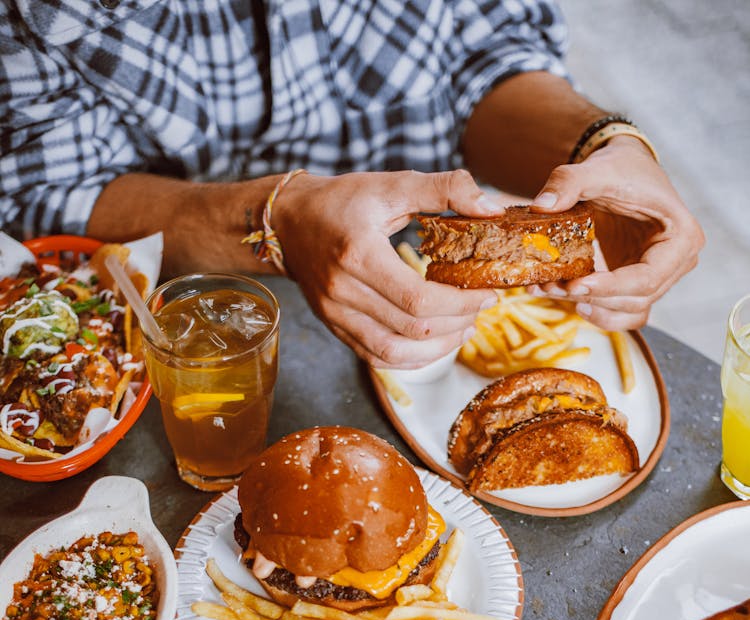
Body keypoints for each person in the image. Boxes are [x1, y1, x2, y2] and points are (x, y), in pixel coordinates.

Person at [0, 0, 703, 370]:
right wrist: (275, 218)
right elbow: (43, 188)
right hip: (177, 325)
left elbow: (486, 52)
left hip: (423, 289)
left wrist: (601, 143)